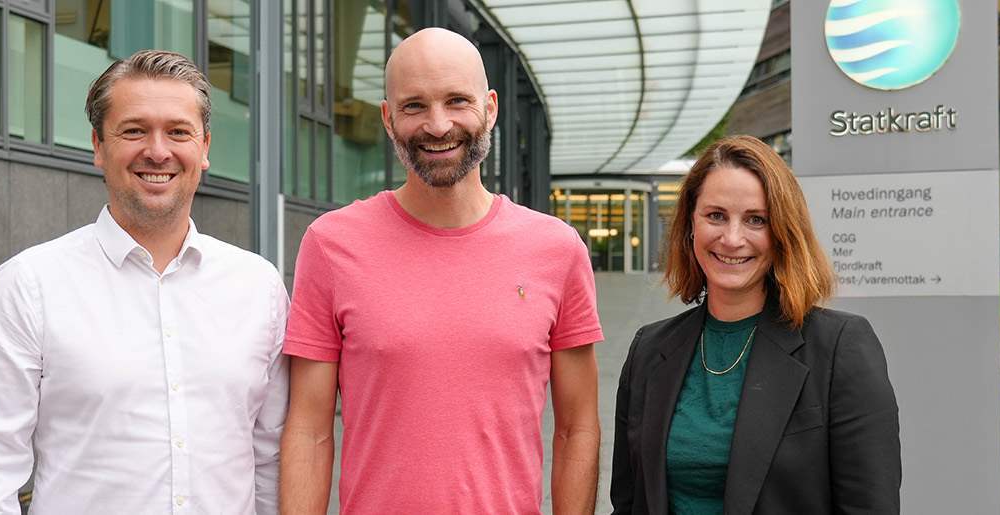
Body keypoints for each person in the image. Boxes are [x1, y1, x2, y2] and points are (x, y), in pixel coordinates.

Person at [279, 27, 604, 514]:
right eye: (414, 106)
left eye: (457, 101)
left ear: (490, 108)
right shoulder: (331, 245)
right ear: (388, 119)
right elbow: (308, 429)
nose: (437, 125)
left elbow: (578, 427)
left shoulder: (556, 250)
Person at [0, 50, 288, 514]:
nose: (158, 150)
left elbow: (271, 457)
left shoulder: (259, 288)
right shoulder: (30, 284)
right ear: (98, 145)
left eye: (178, 131)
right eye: (134, 130)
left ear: (204, 147)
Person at [610, 136, 900, 514]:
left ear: (783, 233)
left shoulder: (840, 347)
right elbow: (630, 504)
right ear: (690, 225)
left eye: (755, 220)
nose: (732, 239)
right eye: (715, 215)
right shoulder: (649, 349)